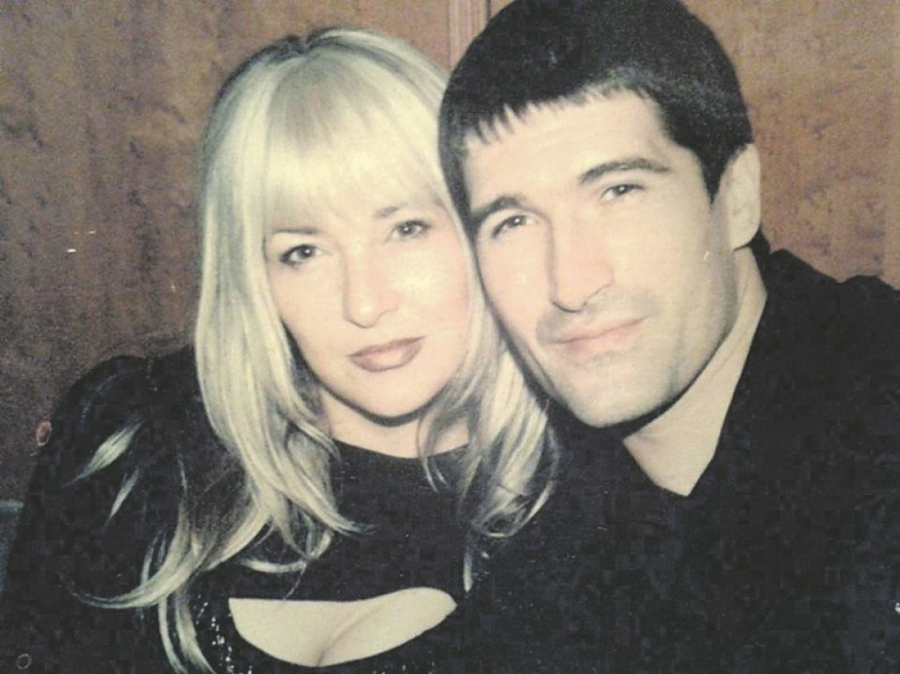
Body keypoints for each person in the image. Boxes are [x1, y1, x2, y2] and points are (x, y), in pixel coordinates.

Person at [0, 28, 553, 673]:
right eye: (303, 252)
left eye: (407, 228)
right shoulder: (132, 437)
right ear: (251, 276)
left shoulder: (585, 496)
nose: (364, 303)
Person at [440, 0, 900, 671]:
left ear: (736, 196)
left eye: (619, 191)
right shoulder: (535, 545)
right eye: (513, 223)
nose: (571, 282)